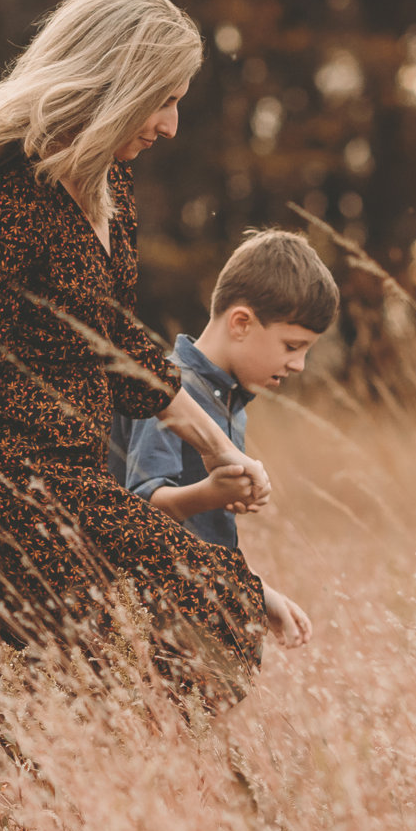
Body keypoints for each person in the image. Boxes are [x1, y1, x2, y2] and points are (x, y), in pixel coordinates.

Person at [0, 0, 295, 714]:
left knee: (183, 638)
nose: (172, 126)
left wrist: (220, 450)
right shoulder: (5, 204)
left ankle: (133, 804)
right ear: (114, 86)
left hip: (82, 481)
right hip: (15, 492)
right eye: (164, 100)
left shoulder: (104, 190)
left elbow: (116, 346)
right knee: (41, 703)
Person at [114, 230, 335, 648]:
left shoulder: (231, 403)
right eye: (292, 345)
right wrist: (211, 493)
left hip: (199, 613)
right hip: (152, 625)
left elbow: (205, 536)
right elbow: (139, 510)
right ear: (241, 323)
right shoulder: (169, 390)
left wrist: (257, 593)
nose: (300, 365)